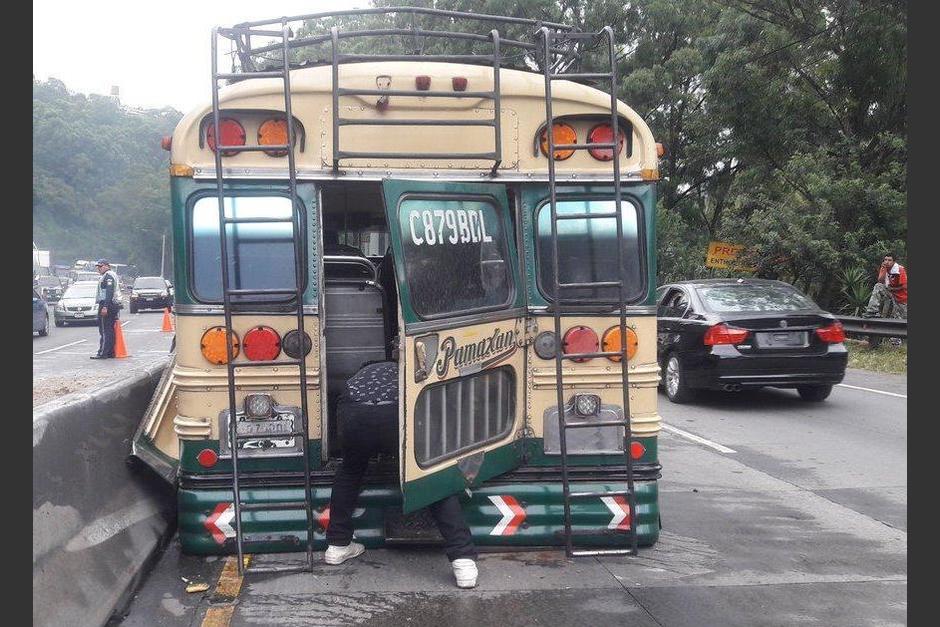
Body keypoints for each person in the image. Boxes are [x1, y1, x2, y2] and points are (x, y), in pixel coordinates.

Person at [324, 360, 479, 589]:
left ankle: (337, 546)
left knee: (350, 471)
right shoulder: (405, 371)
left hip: (355, 413)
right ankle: (462, 560)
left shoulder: (359, 376)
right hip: (395, 412)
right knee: (431, 474)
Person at [91, 259, 120, 359]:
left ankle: (103, 352)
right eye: (98, 267)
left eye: (101, 266)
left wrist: (105, 307)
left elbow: (109, 292)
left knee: (104, 330)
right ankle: (110, 352)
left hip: (107, 304)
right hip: (111, 304)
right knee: (109, 329)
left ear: (107, 266)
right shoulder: (110, 275)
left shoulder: (108, 276)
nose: (98, 268)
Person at [863, 252, 907, 319]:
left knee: (903, 320)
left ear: (894, 262)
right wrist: (884, 270)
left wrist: (892, 289)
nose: (887, 262)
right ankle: (872, 311)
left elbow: (905, 286)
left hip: (901, 299)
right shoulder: (884, 268)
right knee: (878, 286)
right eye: (885, 260)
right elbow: (880, 281)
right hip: (890, 295)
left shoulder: (900, 269)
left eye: (889, 260)